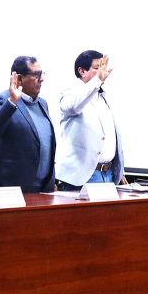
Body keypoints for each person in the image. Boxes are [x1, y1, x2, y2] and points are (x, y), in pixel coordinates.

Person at [0, 56, 57, 193]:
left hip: (44, 189)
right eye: (36, 75)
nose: (41, 79)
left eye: (42, 74)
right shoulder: (2, 99)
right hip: (12, 189)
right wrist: (12, 102)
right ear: (19, 78)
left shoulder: (42, 103)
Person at [56, 50, 125, 190]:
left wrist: (119, 170)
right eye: (97, 68)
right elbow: (73, 106)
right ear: (82, 71)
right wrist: (97, 81)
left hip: (108, 174)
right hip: (83, 176)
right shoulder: (70, 92)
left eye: (103, 67)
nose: (102, 72)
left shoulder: (103, 96)